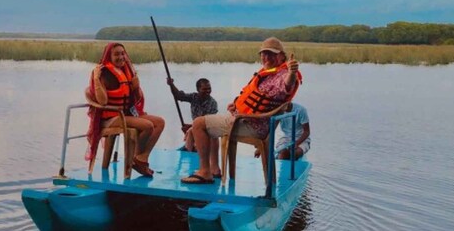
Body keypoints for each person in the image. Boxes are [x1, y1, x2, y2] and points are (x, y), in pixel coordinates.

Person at [181, 37, 301, 184]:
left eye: (271, 53)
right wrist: (236, 106)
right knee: (210, 123)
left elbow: (287, 85)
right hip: (247, 120)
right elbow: (254, 98)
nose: (266, 57)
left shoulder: (282, 75)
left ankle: (205, 171)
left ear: (282, 56)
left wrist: (292, 72)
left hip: (250, 125)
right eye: (263, 53)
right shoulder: (267, 73)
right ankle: (214, 169)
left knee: (199, 123)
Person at [85, 43, 165, 177]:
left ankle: (141, 158)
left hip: (126, 114)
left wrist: (136, 87)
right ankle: (137, 159)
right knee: (148, 126)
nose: (121, 57)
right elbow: (103, 101)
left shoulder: (126, 71)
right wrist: (96, 79)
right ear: (109, 56)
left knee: (159, 123)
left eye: (123, 53)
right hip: (111, 118)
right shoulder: (103, 73)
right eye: (116, 54)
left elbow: (136, 99)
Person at [166, 77, 218, 152]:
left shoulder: (213, 103)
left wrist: (191, 126)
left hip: (207, 131)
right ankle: (189, 149)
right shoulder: (194, 97)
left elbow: (207, 123)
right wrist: (171, 84)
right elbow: (179, 96)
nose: (208, 91)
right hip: (195, 129)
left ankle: (192, 147)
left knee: (191, 133)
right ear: (198, 90)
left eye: (209, 89)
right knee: (190, 133)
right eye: (204, 89)